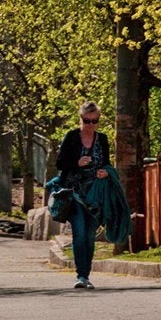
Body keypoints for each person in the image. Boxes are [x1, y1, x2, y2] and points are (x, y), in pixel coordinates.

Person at [56, 101, 110, 289]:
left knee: (89, 235)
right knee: (79, 232)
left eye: (94, 121)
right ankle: (80, 275)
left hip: (95, 194)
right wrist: (77, 163)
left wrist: (106, 172)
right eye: (87, 121)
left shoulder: (102, 139)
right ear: (81, 119)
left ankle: (86, 275)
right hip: (74, 193)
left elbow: (107, 163)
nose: (90, 125)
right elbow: (60, 163)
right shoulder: (71, 137)